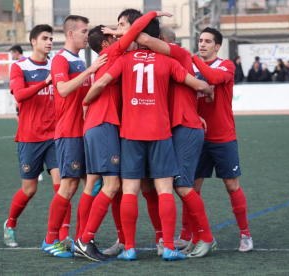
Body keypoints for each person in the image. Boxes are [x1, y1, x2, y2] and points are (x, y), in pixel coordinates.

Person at [85, 19, 213, 262]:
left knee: (130, 190)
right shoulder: (168, 61)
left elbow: (100, 83)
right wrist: (208, 91)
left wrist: (86, 102)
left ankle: (130, 248)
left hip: (130, 134)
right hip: (160, 133)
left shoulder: (123, 59)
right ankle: (167, 247)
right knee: (164, 189)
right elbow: (196, 84)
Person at [74, 10, 170, 262]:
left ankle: (113, 241)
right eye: (115, 30)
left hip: (108, 127)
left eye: (122, 27)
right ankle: (85, 239)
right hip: (106, 125)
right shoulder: (114, 53)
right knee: (113, 185)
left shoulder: (117, 57)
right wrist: (154, 12)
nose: (121, 34)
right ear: (107, 41)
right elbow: (99, 85)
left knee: (99, 185)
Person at [135, 24, 217, 258]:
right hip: (173, 128)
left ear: (160, 41)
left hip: (185, 127)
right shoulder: (158, 64)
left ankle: (206, 238)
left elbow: (202, 86)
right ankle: (185, 237)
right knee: (161, 186)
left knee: (181, 185)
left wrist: (120, 30)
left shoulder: (177, 53)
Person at [42, 15, 107, 258]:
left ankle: (81, 241)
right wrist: (92, 69)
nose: (86, 36)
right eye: (83, 31)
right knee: (68, 187)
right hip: (69, 132)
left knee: (93, 186)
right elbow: (63, 89)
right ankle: (50, 239)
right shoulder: (61, 60)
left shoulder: (79, 60)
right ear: (70, 34)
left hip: (86, 131)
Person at [192, 27, 254, 252]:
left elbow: (214, 77)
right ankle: (189, 235)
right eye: (200, 41)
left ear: (217, 46)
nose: (202, 44)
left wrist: (194, 62)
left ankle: (245, 234)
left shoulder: (226, 65)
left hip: (223, 137)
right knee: (191, 189)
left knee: (231, 185)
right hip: (197, 138)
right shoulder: (192, 67)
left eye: (208, 41)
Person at [3, 24, 59, 253]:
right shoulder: (20, 67)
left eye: (51, 38)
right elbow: (19, 95)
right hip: (30, 137)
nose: (49, 42)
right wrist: (44, 83)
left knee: (62, 187)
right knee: (29, 189)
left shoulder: (58, 65)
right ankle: (10, 224)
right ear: (33, 42)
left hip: (56, 136)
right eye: (45, 38)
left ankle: (54, 236)